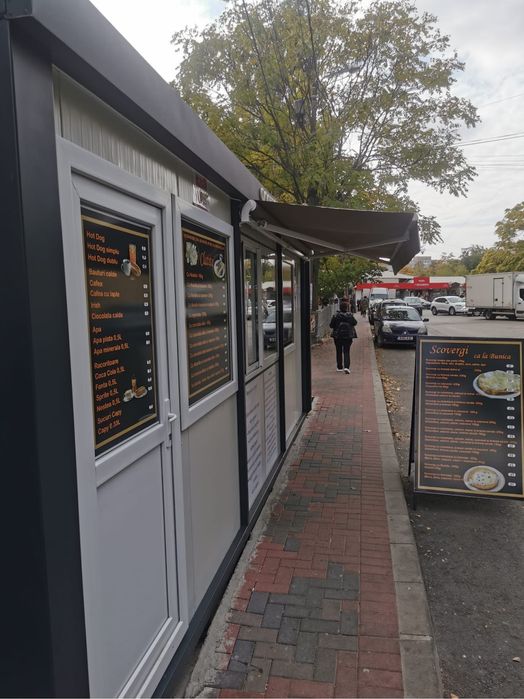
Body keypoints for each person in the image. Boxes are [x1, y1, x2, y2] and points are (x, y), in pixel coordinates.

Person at [329, 301, 357, 374]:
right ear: (347, 308)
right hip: (348, 336)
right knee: (346, 351)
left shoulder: (336, 315)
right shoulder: (350, 315)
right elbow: (355, 323)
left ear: (340, 308)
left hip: (337, 336)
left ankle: (339, 367)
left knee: (338, 351)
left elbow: (331, 325)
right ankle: (346, 367)